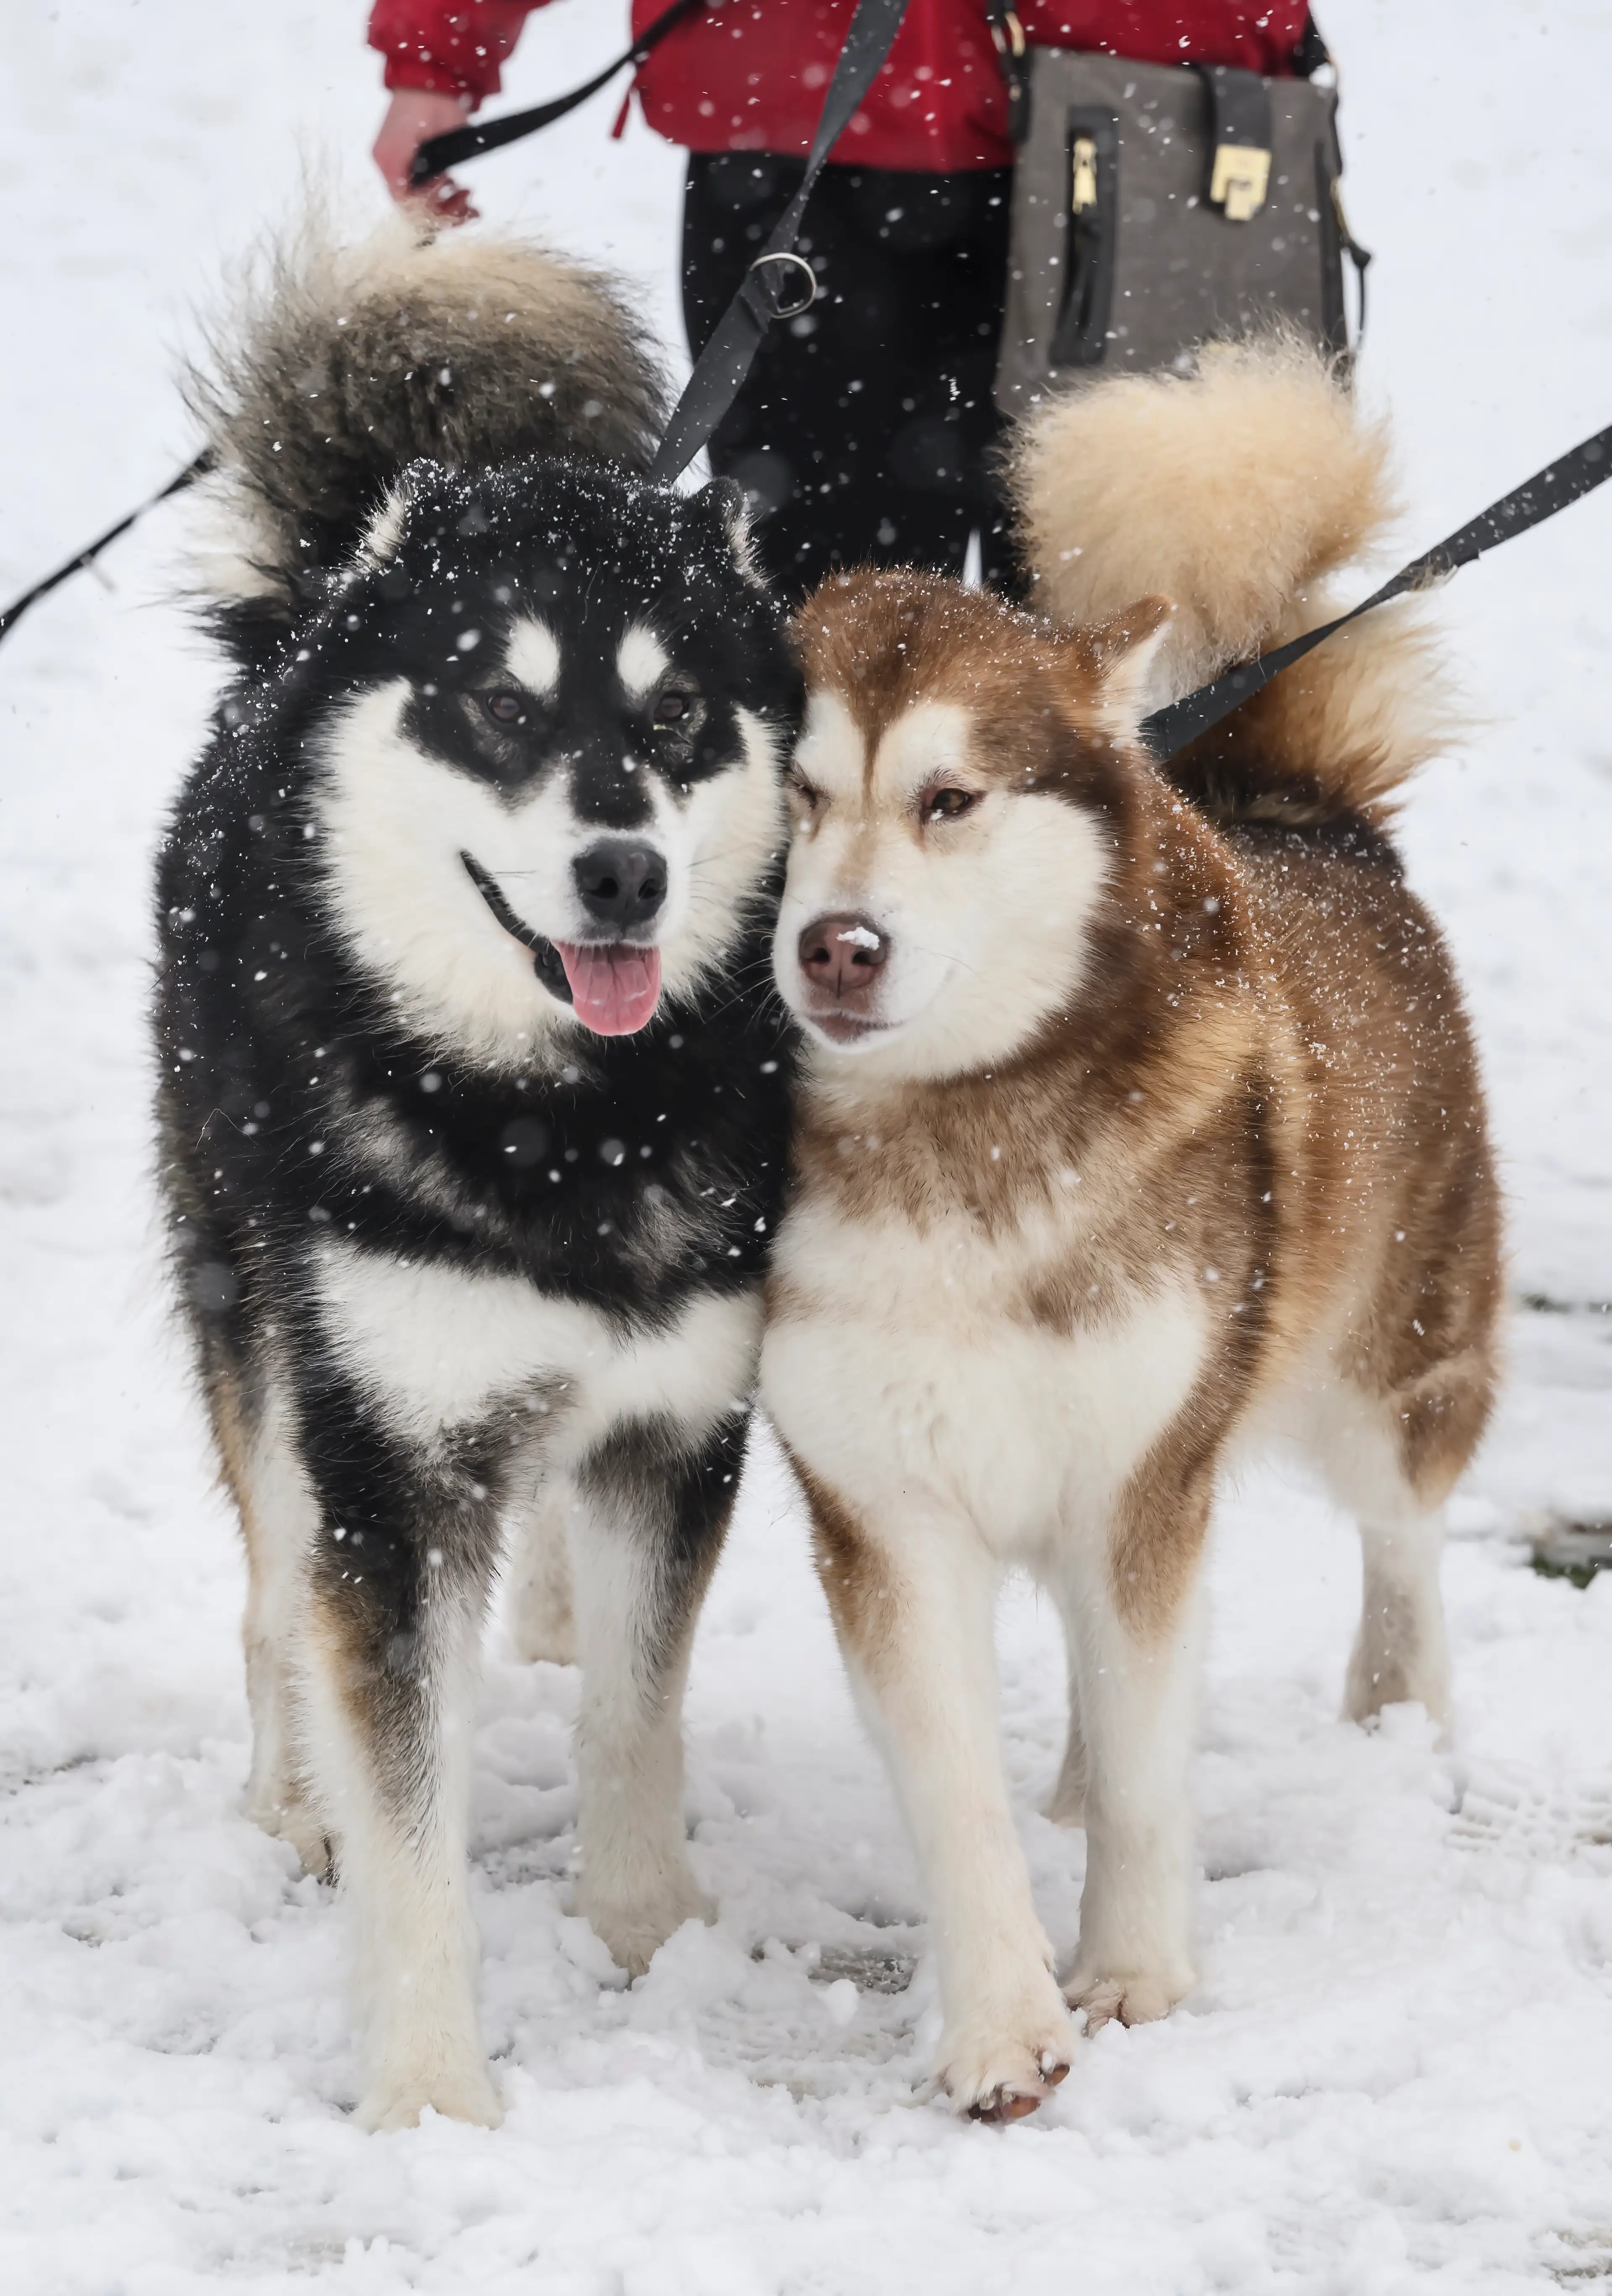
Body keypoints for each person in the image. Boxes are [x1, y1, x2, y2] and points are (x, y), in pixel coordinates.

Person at [369, 1, 1313, 594]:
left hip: (1137, 118)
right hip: (840, 125)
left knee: (1142, 643)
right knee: (840, 644)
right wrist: (437, 45)